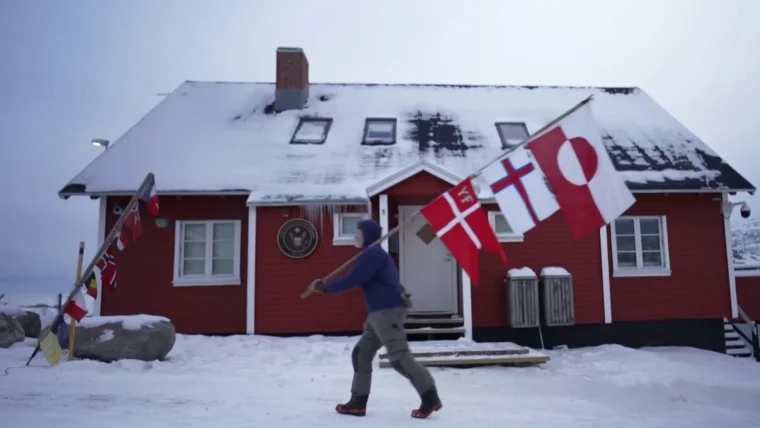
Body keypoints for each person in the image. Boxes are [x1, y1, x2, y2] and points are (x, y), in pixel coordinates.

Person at [309, 219, 442, 419]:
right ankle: (357, 402)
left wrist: (326, 288)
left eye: (358, 233)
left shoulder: (372, 254)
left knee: (400, 358)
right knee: (361, 354)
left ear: (368, 236)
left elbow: (353, 279)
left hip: (386, 313)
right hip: (378, 314)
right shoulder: (373, 254)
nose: (355, 236)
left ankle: (430, 397)